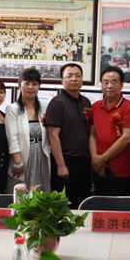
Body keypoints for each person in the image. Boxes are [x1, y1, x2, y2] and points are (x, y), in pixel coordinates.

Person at [45, 63, 92, 209]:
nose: (74, 79)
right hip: (66, 161)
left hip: (84, 163)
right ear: (62, 81)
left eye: (77, 76)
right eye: (69, 76)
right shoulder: (57, 103)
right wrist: (61, 165)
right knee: (63, 207)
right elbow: (53, 135)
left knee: (82, 204)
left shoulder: (86, 102)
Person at [89, 66, 130, 196]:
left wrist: (103, 158)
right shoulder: (95, 106)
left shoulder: (129, 107)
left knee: (119, 206)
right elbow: (92, 135)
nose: (109, 86)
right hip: (98, 168)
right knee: (99, 204)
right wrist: (96, 160)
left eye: (114, 82)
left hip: (121, 171)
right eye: (105, 82)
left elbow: (127, 138)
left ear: (121, 85)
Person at [5, 68, 51, 193]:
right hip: (23, 157)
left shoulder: (45, 106)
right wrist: (18, 163)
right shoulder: (12, 108)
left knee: (41, 193)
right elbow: (12, 138)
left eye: (34, 84)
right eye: (26, 83)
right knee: (21, 194)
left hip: (42, 156)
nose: (31, 87)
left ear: (39, 86)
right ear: (20, 86)